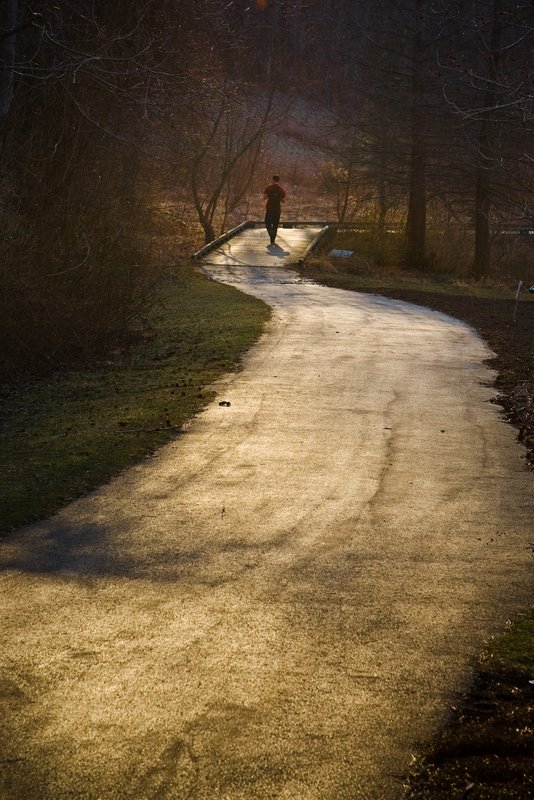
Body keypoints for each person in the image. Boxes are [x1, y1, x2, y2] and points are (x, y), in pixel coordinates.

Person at [263, 174, 286, 245]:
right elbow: (283, 201)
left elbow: (264, 197)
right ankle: (272, 241)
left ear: (273, 180)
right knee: (275, 225)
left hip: (269, 208)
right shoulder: (281, 189)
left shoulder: (268, 188)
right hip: (277, 209)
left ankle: (271, 233)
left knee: (267, 223)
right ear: (278, 180)